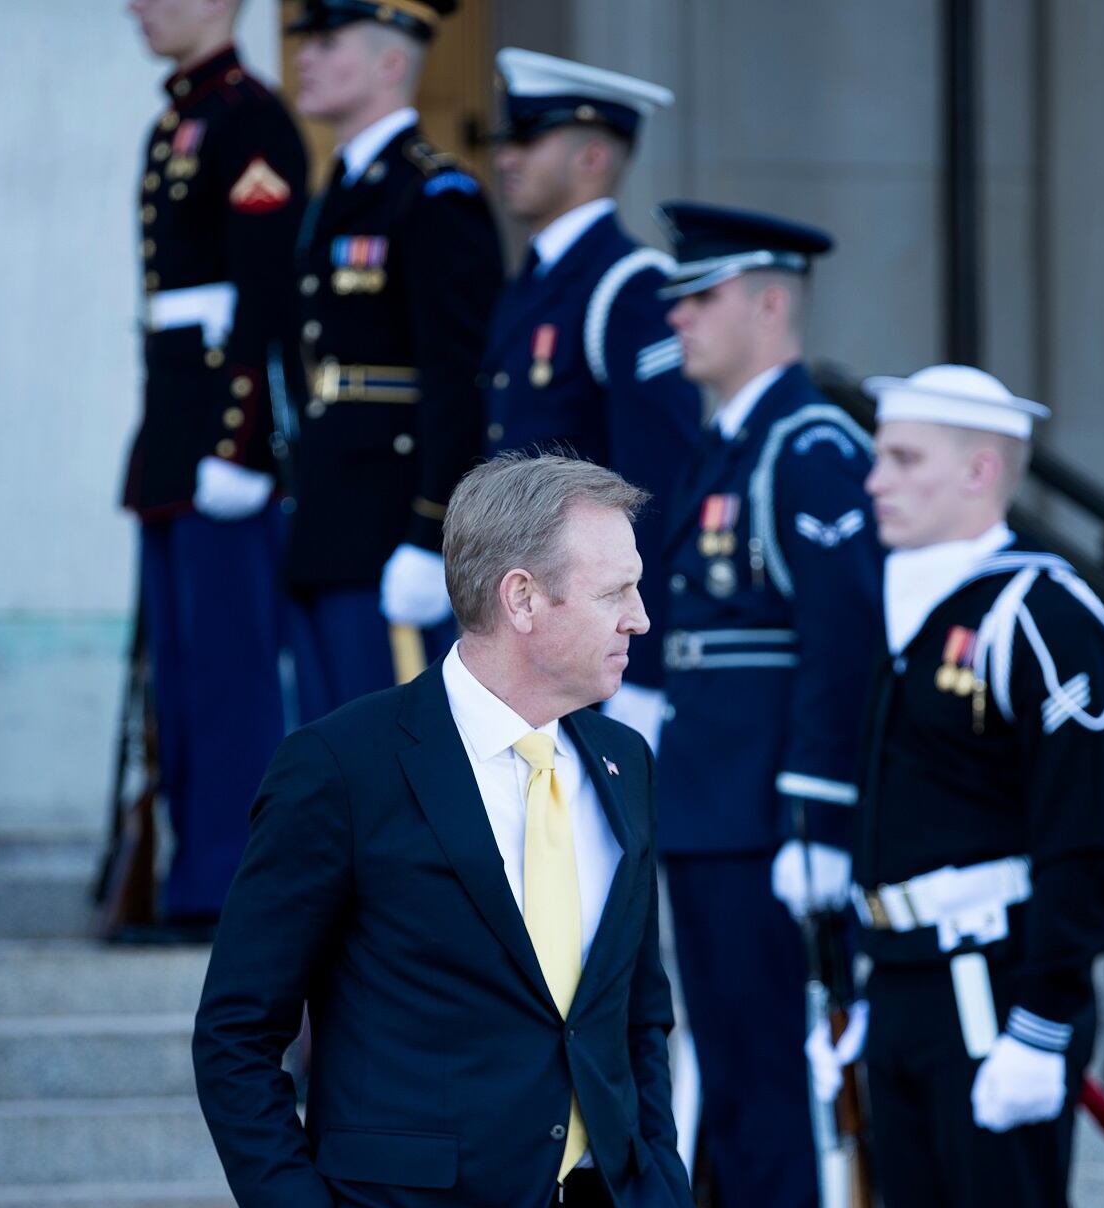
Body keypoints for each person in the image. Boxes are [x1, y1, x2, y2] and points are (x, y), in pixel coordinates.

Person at [194, 453, 711, 1208]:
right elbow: (236, 1034)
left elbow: (637, 1014)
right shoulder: (341, 768)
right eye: (615, 592)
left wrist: (657, 1182)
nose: (641, 617)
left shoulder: (625, 764)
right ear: (522, 599)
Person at [844, 364, 1104, 1208]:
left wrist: (1045, 1021)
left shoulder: (1043, 614)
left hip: (994, 990)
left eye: (903, 458)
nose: (875, 478)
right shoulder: (899, 598)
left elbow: (1082, 844)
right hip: (903, 981)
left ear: (979, 472)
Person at [652, 203, 882, 1208]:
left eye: (703, 296)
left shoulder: (809, 447)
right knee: (739, 1092)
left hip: (766, 825)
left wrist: (819, 818)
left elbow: (843, 638)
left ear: (772, 301)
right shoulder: (729, 444)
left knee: (780, 1095)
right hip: (707, 813)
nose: (680, 317)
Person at [121, 0, 308, 928]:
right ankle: (190, 871)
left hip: (220, 443)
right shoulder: (177, 121)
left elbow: (265, 297)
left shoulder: (250, 119)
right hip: (173, 430)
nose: (138, 6)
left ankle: (228, 881)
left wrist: (238, 444)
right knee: (180, 674)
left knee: (231, 675)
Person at [277, 0, 503, 720]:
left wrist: (434, 533)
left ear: (391, 62)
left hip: (393, 523)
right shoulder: (335, 194)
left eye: (328, 42)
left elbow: (460, 379)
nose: (304, 58)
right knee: (334, 750)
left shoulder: (434, 195)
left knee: (399, 751)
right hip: (328, 515)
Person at [481, 49, 704, 751]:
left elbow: (659, 486)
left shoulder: (629, 285)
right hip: (528, 631)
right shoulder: (534, 281)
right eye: (506, 140)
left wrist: (644, 664)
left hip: (593, 644)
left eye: (528, 140)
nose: (506, 158)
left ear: (593, 158)